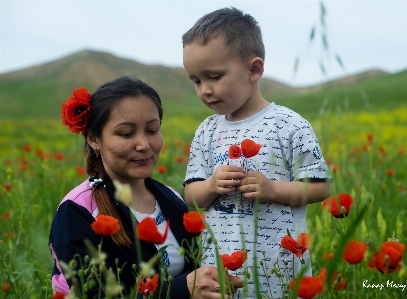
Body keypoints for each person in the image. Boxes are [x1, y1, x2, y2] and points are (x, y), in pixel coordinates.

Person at [182, 7, 332, 298]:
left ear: (254, 69)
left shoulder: (289, 125)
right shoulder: (206, 131)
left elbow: (321, 187)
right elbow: (191, 195)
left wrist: (273, 189)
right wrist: (211, 185)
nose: (205, 91)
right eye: (196, 81)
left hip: (279, 270)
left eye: (214, 76)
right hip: (219, 273)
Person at [49, 76, 243, 299]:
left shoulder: (171, 199)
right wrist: (183, 290)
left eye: (152, 130)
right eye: (126, 134)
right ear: (94, 138)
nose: (144, 145)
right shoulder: (77, 211)